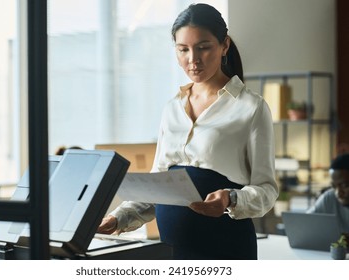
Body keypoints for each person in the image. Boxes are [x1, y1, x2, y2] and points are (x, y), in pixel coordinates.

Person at [98, 3, 278, 260]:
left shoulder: (251, 108)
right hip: (172, 252)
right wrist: (118, 218)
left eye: (203, 47)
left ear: (224, 45)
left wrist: (231, 198)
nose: (193, 59)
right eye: (183, 49)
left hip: (226, 248)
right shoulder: (172, 108)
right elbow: (157, 187)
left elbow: (267, 191)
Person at [307, 153, 349, 234]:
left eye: (344, 185)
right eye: (334, 186)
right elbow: (306, 222)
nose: (338, 193)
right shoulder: (330, 197)